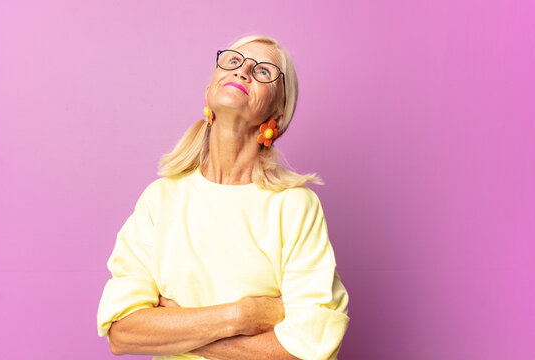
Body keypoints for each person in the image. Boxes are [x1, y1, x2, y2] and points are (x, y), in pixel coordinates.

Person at [97, 34, 350, 360]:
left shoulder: (295, 207)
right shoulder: (159, 200)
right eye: (232, 61)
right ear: (208, 91)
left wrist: (176, 328)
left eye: (262, 71)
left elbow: (307, 349)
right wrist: (243, 315)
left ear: (279, 111)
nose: (243, 70)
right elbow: (122, 332)